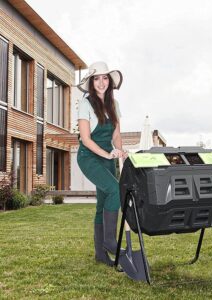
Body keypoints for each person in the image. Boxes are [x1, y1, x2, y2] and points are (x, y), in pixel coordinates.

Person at [77, 61, 127, 266]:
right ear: (91, 82)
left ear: (110, 81)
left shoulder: (114, 105)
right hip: (89, 157)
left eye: (104, 78)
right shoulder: (86, 104)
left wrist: (120, 151)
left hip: (108, 157)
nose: (101, 82)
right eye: (96, 79)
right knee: (115, 189)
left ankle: (100, 254)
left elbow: (116, 134)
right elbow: (86, 139)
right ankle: (109, 241)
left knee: (103, 202)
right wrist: (106, 155)